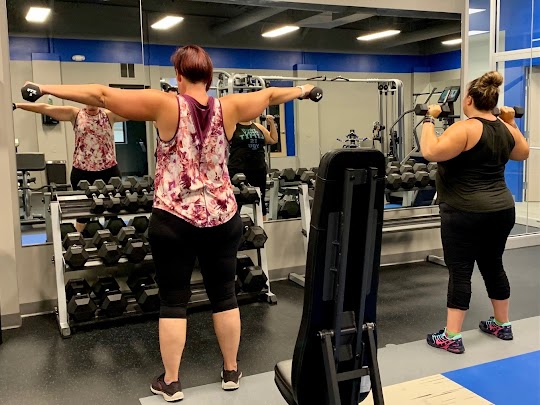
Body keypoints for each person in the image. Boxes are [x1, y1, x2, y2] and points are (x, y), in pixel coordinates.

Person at [21, 44, 317, 401]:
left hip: (175, 220)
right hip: (222, 217)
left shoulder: (166, 105)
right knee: (225, 296)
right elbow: (270, 95)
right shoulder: (231, 106)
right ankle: (230, 371)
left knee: (174, 301)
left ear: (179, 75)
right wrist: (305, 89)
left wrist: (45, 87)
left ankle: (172, 382)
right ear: (209, 77)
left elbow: (101, 95)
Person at [420, 71, 529, 354]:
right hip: (501, 210)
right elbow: (523, 152)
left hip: (464, 211)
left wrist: (429, 118)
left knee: (460, 271)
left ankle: (451, 336)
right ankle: (502, 324)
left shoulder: (465, 128)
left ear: (468, 100)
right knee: (493, 265)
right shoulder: (505, 128)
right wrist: (511, 121)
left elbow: (430, 151)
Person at [13, 102, 127, 231]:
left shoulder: (109, 115)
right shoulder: (76, 114)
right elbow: (46, 108)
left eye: (94, 101)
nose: (91, 105)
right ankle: (78, 240)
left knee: (112, 212)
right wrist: (18, 105)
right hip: (82, 172)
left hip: (109, 171)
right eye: (89, 101)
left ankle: (111, 240)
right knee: (83, 215)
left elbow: (134, 111)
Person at [228, 115, 278, 219]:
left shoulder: (259, 127)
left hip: (258, 169)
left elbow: (273, 140)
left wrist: (271, 124)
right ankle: (235, 227)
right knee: (236, 201)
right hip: (238, 170)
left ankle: (262, 227)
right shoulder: (233, 127)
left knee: (260, 200)